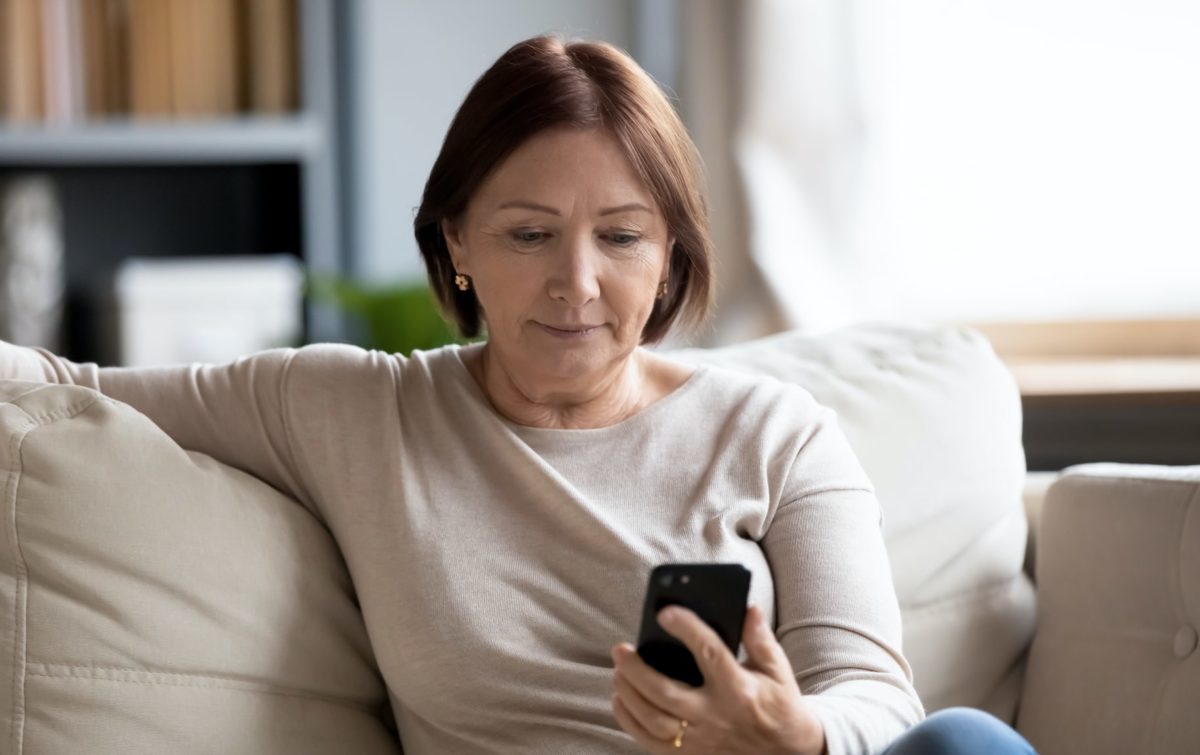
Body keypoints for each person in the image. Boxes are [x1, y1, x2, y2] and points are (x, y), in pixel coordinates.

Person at [0, 35, 1037, 755]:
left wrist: (793, 732)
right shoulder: (359, 411)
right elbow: (59, 383)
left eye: (622, 237)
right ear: (455, 243)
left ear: (670, 250)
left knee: (965, 740)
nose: (576, 283)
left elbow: (882, 701)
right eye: (529, 233)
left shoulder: (774, 434)